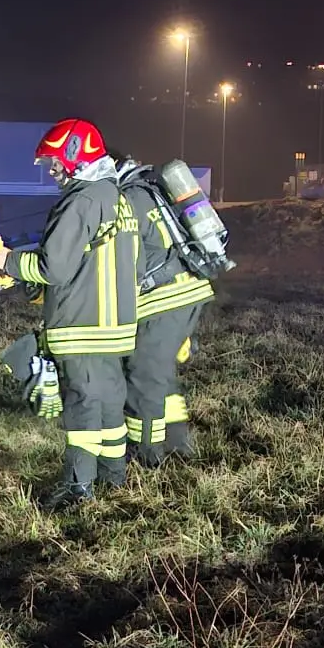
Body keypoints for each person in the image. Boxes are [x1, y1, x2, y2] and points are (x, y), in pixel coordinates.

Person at [0, 117, 139, 509]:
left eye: (55, 162)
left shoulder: (81, 200)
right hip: (114, 326)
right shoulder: (116, 198)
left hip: (83, 326)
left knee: (84, 406)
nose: (52, 171)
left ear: (75, 156)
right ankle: (114, 479)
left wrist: (9, 262)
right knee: (108, 404)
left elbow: (55, 267)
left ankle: (78, 487)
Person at [117, 156, 217, 468]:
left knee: (144, 379)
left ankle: (147, 456)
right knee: (161, 376)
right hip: (189, 289)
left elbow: (126, 261)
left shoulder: (127, 199)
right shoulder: (150, 190)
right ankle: (177, 443)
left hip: (163, 299)